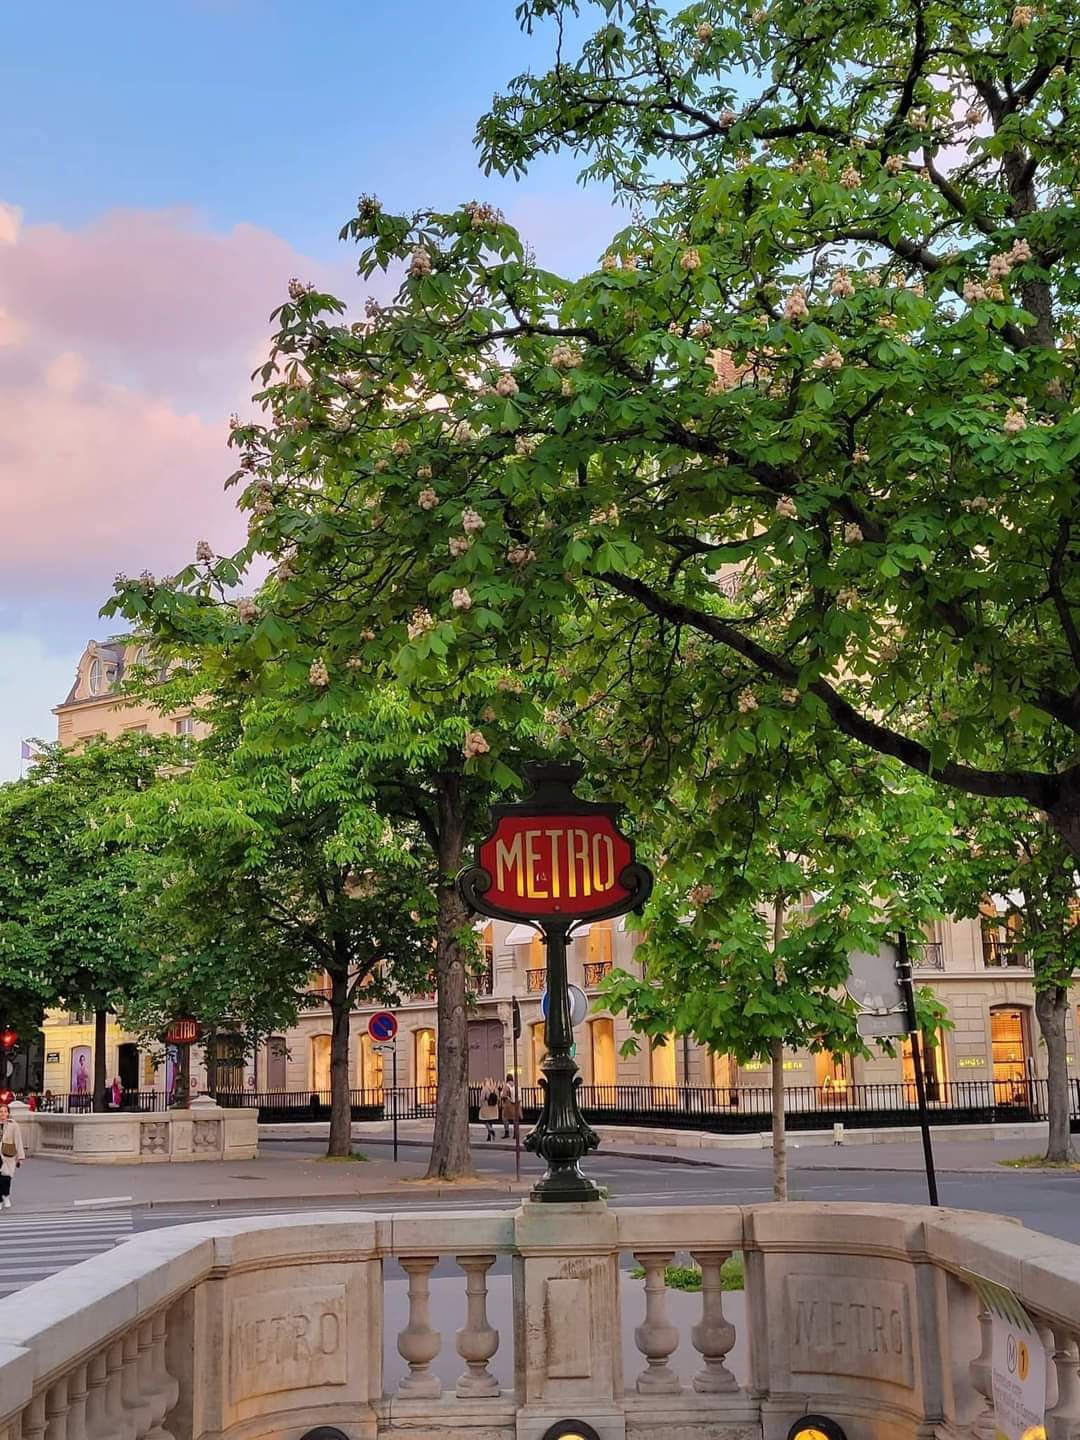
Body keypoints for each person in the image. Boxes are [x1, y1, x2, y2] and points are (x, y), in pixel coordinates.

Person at [0, 1101, 25, 1210]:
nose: (3, 1114)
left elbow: (18, 1141)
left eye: (5, 1112)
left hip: (8, 1155)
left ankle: (6, 1196)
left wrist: (20, 1157)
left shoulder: (13, 1125)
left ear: (8, 1113)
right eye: (1, 1112)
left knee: (6, 1178)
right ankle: (0, 1200)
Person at [478, 1077, 500, 1142]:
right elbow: (498, 1098)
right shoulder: (495, 1089)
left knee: (484, 1120)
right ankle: (489, 1135)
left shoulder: (484, 1089)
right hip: (494, 1108)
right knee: (490, 1122)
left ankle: (490, 1130)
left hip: (486, 1107)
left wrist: (481, 1105)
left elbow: (482, 1099)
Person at [499, 1074, 519, 1140]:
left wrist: (502, 1096)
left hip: (508, 1104)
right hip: (515, 1104)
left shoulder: (506, 1086)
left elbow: (504, 1096)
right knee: (514, 1119)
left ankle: (507, 1133)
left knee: (505, 1118)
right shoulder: (515, 1085)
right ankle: (515, 1134)